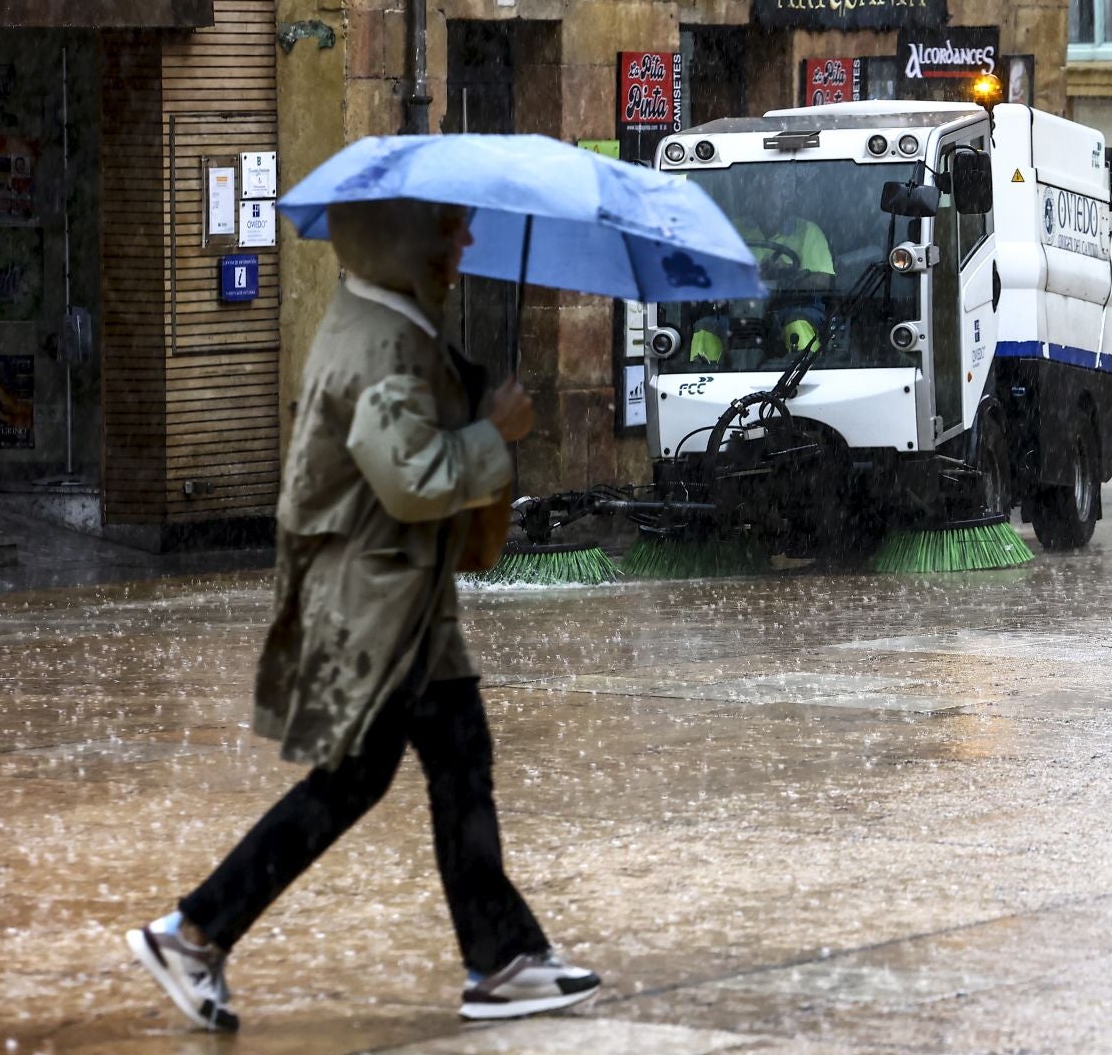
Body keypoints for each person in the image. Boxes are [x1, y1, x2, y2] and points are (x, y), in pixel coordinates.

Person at [126, 199, 599, 1032]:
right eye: (449, 227)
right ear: (403, 236)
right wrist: (494, 433)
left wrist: (480, 408)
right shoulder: (380, 340)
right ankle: (198, 931)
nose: (465, 241)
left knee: (449, 767)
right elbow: (410, 479)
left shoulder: (399, 321)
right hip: (377, 606)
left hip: (407, 603)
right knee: (370, 781)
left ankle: (501, 958)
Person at [689, 190, 835, 365]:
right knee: (705, 329)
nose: (767, 202)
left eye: (775, 195)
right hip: (741, 311)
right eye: (761, 193)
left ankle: (808, 374)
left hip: (793, 307)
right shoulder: (733, 230)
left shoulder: (808, 231)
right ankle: (702, 379)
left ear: (787, 199)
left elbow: (823, 281)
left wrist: (788, 273)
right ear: (751, 197)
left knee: (797, 323)